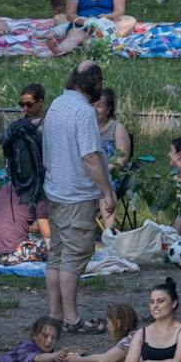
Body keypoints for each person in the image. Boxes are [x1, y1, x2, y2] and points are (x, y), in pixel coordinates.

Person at [41, 62, 117, 333]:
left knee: (58, 254)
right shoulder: (84, 112)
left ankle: (55, 314)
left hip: (55, 190)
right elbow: (90, 158)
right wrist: (106, 192)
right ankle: (72, 319)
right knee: (74, 256)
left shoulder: (57, 104)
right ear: (93, 82)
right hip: (76, 194)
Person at [0, 84, 51, 262]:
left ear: (41, 102)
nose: (25, 109)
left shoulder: (5, 190)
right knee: (58, 247)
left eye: (29, 104)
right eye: (22, 104)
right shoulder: (37, 192)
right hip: (8, 254)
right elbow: (48, 236)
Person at [59, 303, 139, 362]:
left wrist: (78, 360)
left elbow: (102, 360)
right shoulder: (135, 336)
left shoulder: (129, 340)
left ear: (118, 323)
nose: (107, 326)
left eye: (108, 322)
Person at [93, 88, 131, 176]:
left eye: (99, 106)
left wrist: (105, 170)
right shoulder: (86, 127)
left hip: (112, 175)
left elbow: (123, 157)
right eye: (92, 105)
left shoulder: (117, 128)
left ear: (108, 109)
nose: (94, 109)